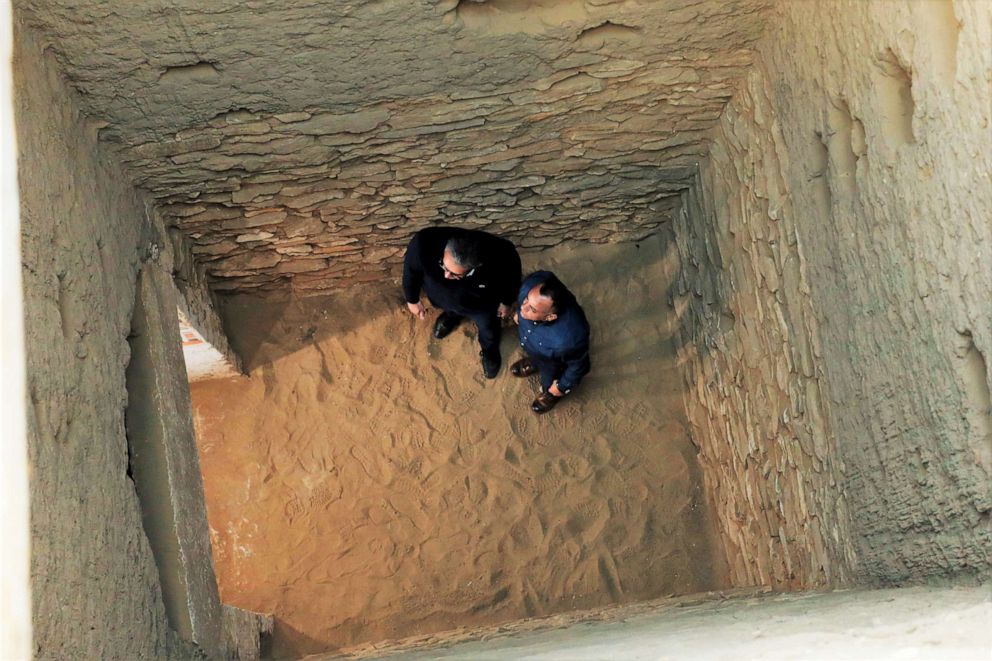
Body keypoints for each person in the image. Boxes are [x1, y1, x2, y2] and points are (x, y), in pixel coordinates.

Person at [402, 226, 521, 378]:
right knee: (448, 306)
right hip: (442, 298)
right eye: (443, 266)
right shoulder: (424, 242)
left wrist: (506, 301)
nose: (446, 275)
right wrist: (412, 299)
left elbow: (512, 277)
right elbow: (410, 270)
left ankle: (489, 350)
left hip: (481, 305)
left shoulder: (501, 253)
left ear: (475, 266)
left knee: (488, 328)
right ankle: (452, 316)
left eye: (454, 274)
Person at [512, 271, 590, 414]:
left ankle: (550, 394)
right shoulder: (531, 285)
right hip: (536, 348)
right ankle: (535, 361)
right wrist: (519, 313)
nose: (524, 308)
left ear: (550, 317)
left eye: (532, 309)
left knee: (549, 380)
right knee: (537, 353)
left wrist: (560, 387)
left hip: (553, 362)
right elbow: (543, 278)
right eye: (526, 300)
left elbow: (579, 365)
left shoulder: (570, 339)